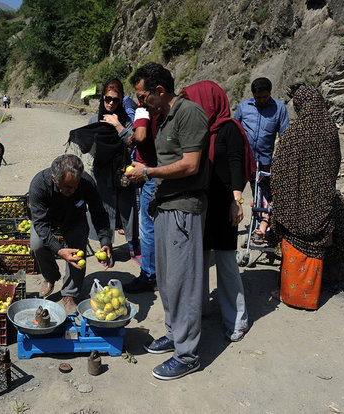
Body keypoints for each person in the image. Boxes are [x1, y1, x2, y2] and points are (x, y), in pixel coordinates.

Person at [125, 63, 209, 380]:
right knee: (167, 280)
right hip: (165, 206)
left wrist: (146, 172)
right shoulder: (162, 119)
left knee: (184, 282)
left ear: (160, 91)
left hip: (184, 208)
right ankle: (174, 334)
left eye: (142, 95)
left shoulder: (189, 113)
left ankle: (187, 355)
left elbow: (190, 165)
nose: (140, 102)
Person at [181, 80, 254, 342]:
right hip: (200, 205)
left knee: (225, 264)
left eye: (194, 101)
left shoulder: (228, 129)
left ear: (209, 102)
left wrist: (237, 200)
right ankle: (198, 310)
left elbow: (236, 164)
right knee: (198, 261)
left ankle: (237, 320)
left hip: (223, 205)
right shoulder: (197, 130)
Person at [270, 85, 341, 310]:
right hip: (321, 201)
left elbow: (279, 168)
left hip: (295, 205)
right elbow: (335, 164)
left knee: (292, 240)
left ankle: (290, 294)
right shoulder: (330, 129)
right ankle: (310, 295)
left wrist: (282, 197)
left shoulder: (295, 131)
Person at [29, 154, 112, 315]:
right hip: (47, 220)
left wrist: (105, 241)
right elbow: (40, 224)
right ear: (54, 179)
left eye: (75, 186)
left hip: (75, 218)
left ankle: (70, 294)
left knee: (78, 245)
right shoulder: (39, 184)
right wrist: (59, 250)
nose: (73, 191)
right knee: (37, 245)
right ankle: (50, 276)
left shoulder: (86, 182)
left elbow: (99, 213)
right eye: (67, 187)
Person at [86, 78, 139, 258]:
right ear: (102, 98)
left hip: (123, 171)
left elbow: (133, 143)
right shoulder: (95, 119)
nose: (110, 103)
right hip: (101, 171)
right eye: (107, 98)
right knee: (103, 208)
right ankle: (105, 245)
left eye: (115, 100)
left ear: (121, 100)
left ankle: (133, 244)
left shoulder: (126, 120)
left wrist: (117, 125)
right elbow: (90, 149)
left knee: (128, 208)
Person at [234, 77, 289, 239]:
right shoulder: (244, 107)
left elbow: (285, 136)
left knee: (264, 197)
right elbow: (234, 130)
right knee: (235, 193)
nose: (262, 100)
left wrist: (281, 162)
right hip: (243, 161)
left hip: (265, 163)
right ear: (253, 95)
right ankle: (230, 224)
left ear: (270, 93)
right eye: (258, 98)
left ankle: (261, 227)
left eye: (265, 97)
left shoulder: (279, 108)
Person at [123, 105, 159, 293]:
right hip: (158, 171)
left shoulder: (143, 110)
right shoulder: (168, 110)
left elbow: (141, 136)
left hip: (149, 174)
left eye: (141, 94)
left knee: (147, 227)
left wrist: (130, 135)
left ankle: (149, 275)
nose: (139, 99)